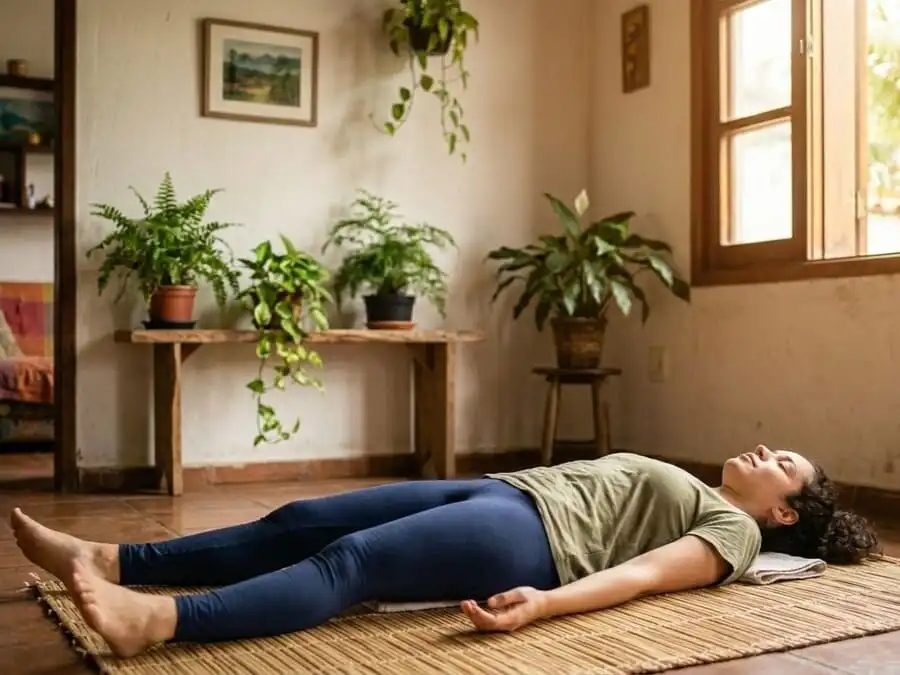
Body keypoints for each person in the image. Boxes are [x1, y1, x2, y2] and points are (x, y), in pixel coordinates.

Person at [10, 447, 879, 658]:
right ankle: (120, 560)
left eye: (783, 464)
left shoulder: (730, 531)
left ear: (785, 513)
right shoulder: (703, 483)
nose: (766, 452)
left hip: (533, 538)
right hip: (508, 489)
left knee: (349, 562)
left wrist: (544, 602)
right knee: (303, 515)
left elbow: (645, 576)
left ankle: (160, 622)